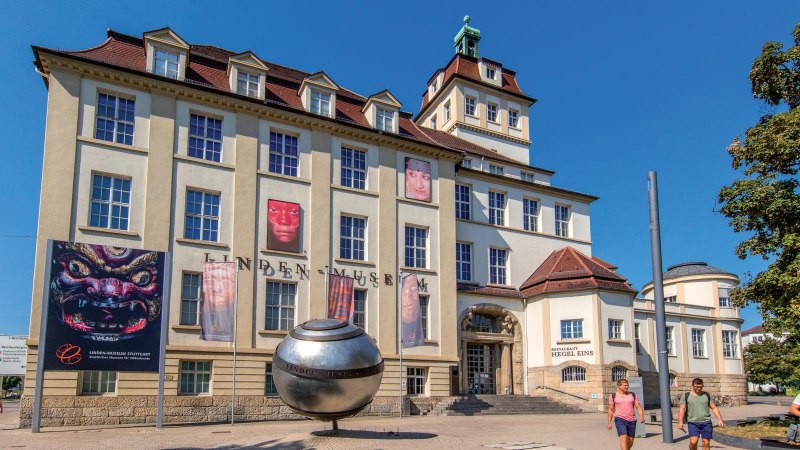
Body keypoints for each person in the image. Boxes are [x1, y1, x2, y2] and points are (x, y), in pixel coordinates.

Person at [678, 378, 725, 450]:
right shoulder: (686, 396)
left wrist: (720, 420)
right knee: (693, 442)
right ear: (692, 386)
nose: (699, 389)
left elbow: (714, 408)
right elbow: (682, 409)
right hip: (693, 422)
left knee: (706, 443)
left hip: (706, 422)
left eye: (700, 387)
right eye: (696, 387)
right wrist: (680, 422)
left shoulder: (706, 395)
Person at [607, 378, 645, 450]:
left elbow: (638, 407)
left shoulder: (633, 395)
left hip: (632, 420)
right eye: (625, 385)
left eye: (627, 385)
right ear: (619, 386)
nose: (627, 387)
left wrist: (641, 417)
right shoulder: (613, 396)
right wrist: (609, 422)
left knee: (630, 441)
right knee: (623, 437)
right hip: (620, 419)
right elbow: (611, 409)